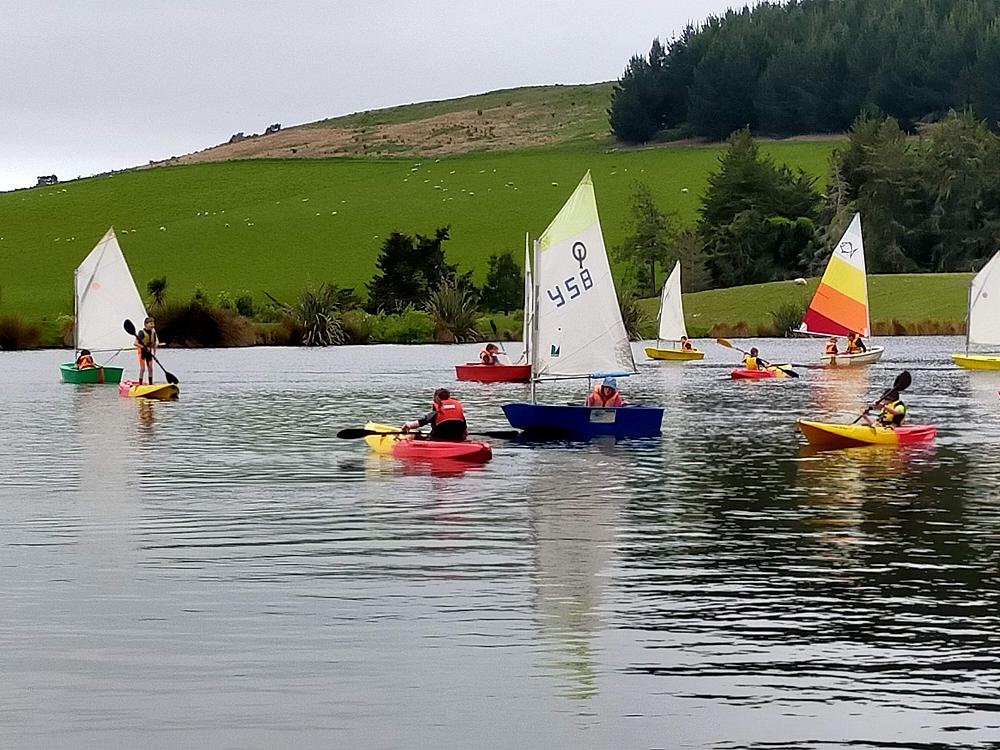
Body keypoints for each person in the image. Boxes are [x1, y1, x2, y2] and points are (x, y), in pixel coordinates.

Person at [402, 388, 468, 441]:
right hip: (458, 438)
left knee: (413, 436)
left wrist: (407, 425)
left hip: (439, 439)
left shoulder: (436, 412)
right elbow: (465, 432)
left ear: (436, 398)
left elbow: (421, 422)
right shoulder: (459, 412)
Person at [135, 316, 158, 385]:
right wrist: (144, 347)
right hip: (142, 352)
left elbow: (154, 345)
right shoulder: (141, 333)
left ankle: (150, 383)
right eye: (151, 324)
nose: (152, 325)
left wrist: (154, 354)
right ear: (145, 324)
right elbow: (135, 343)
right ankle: (140, 384)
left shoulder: (153, 333)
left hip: (149, 352)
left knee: (150, 368)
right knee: (143, 368)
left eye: (153, 324)